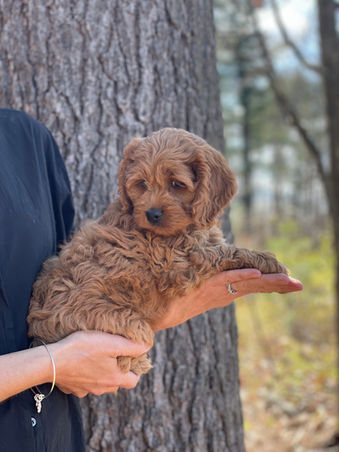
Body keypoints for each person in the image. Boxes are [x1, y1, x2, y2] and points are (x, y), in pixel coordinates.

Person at [0, 109, 302, 452]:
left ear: (209, 190)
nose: (153, 206)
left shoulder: (28, 138)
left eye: (177, 186)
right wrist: (51, 363)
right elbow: (181, 267)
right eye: (142, 186)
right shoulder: (145, 231)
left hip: (50, 428)